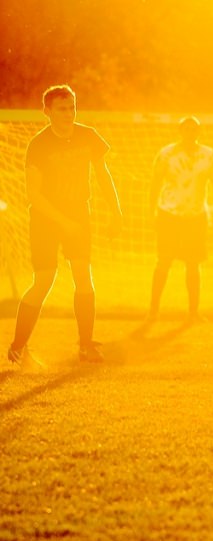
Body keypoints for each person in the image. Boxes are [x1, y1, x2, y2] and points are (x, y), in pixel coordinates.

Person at [7, 84, 122, 368]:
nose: (69, 113)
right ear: (47, 112)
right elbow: (33, 195)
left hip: (79, 212)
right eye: (62, 108)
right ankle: (18, 346)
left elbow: (103, 174)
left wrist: (116, 210)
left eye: (72, 107)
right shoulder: (38, 144)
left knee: (84, 277)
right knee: (44, 281)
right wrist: (64, 222)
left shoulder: (88, 136)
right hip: (45, 218)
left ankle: (86, 346)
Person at [148, 116, 213, 322]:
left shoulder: (209, 156)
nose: (190, 133)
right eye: (186, 129)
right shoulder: (166, 154)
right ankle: (153, 311)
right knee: (163, 261)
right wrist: (150, 210)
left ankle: (193, 313)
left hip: (196, 215)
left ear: (199, 132)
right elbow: (155, 183)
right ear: (180, 131)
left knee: (193, 263)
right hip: (169, 213)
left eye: (194, 129)